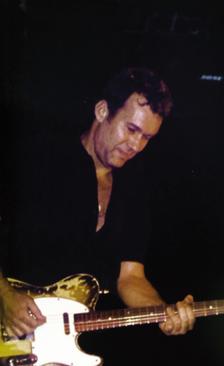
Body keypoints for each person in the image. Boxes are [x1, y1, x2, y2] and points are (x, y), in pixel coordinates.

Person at [0, 67, 195, 343]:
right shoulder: (39, 160)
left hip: (64, 343)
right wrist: (4, 296)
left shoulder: (133, 188)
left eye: (146, 138)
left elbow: (130, 278)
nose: (136, 145)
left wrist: (164, 313)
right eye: (131, 129)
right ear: (102, 111)